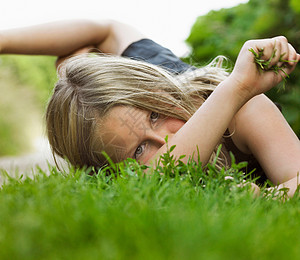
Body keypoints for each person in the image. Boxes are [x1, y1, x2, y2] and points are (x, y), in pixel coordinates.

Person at [1, 19, 300, 196]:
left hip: (174, 82)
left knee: (107, 34)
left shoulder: (242, 105)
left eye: (156, 116)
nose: (166, 141)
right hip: (154, 88)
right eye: (139, 151)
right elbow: (165, 172)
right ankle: (73, 69)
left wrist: (236, 88)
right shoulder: (119, 150)